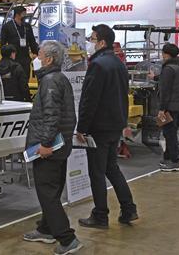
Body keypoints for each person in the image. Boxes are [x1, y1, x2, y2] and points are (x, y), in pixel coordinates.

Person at [22, 40, 82, 255]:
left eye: (38, 54)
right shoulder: (58, 78)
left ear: (48, 59)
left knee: (47, 193)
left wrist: (46, 144)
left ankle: (67, 239)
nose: (35, 58)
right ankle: (46, 230)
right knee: (53, 191)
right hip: (60, 146)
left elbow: (51, 116)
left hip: (50, 148)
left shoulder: (50, 81)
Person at [76, 24, 137, 229]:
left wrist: (81, 128)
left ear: (101, 42)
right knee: (112, 168)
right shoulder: (119, 64)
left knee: (97, 172)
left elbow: (89, 100)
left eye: (92, 39)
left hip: (99, 128)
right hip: (114, 126)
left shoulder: (97, 65)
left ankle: (100, 215)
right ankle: (129, 208)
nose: (90, 43)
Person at [157, 43, 179, 171]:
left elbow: (166, 91)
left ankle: (174, 161)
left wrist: (162, 109)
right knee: (171, 132)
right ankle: (168, 158)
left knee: (170, 134)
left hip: (170, 106)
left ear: (166, 54)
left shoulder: (168, 69)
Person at [0, 6, 39, 81]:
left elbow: (32, 42)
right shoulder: (7, 26)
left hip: (25, 59)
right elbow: (3, 45)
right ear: (17, 15)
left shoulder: (27, 26)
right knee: (14, 80)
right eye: (23, 14)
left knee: (25, 79)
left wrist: (37, 52)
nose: (25, 15)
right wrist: (6, 58)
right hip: (13, 59)